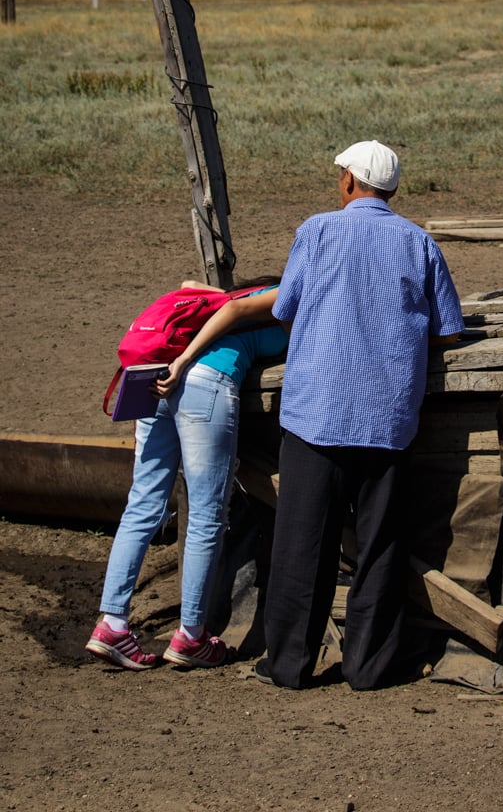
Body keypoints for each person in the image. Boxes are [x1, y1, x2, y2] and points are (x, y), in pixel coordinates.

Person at [257, 139, 464, 690]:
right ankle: (368, 666)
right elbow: (447, 329)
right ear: (391, 188)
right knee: (380, 548)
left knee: (303, 543)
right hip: (386, 416)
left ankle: (288, 664)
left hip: (315, 412)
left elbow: (285, 310)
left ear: (350, 181)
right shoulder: (419, 242)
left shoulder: (317, 230)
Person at [85, 279, 286, 671]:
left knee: (142, 503)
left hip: (152, 379)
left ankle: (111, 623)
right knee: (209, 515)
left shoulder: (234, 296)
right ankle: (191, 635)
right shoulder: (290, 297)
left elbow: (189, 284)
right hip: (202, 384)